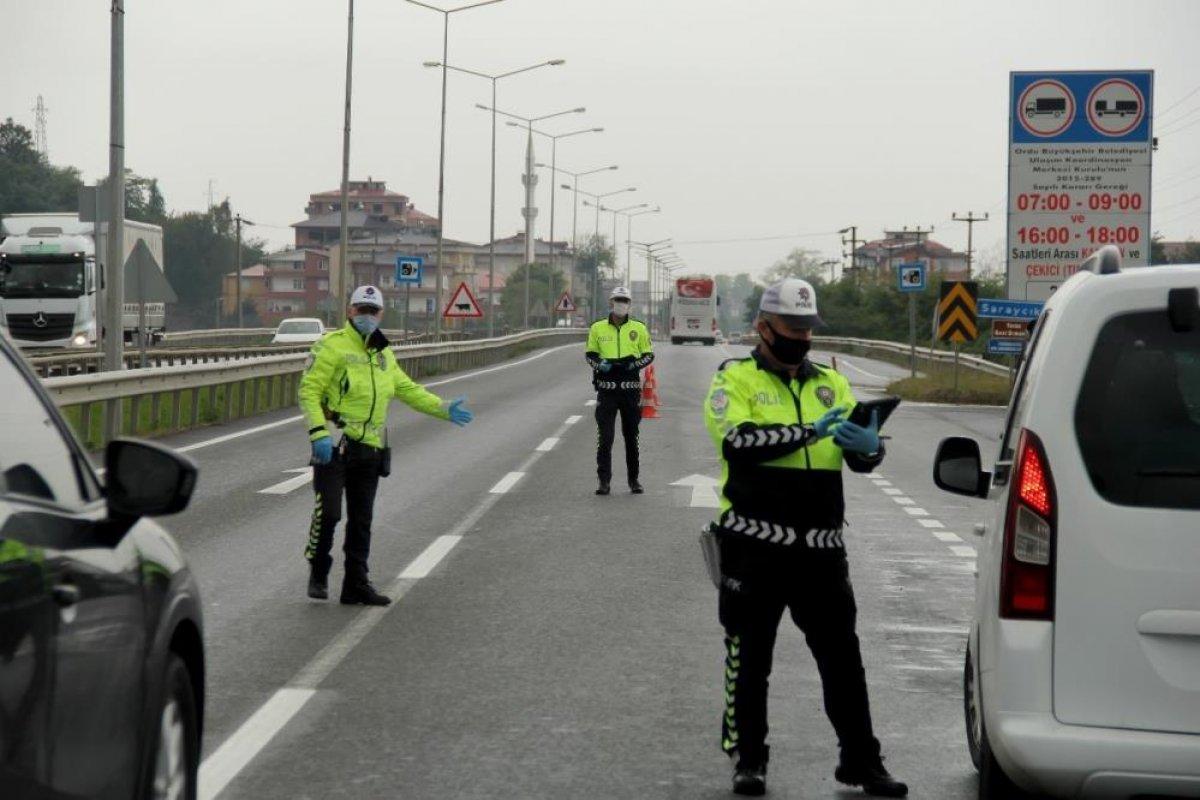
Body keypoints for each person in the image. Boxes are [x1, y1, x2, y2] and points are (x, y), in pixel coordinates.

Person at [702, 278, 907, 797]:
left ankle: (862, 759)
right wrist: (810, 432)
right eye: (792, 329)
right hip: (755, 548)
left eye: (808, 329)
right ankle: (749, 758)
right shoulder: (735, 379)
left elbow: (856, 458)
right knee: (750, 661)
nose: (801, 338)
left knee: (843, 662)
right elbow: (739, 442)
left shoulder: (830, 384)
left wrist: (869, 448)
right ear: (764, 328)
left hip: (821, 552)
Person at [298, 285, 474, 605]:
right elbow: (309, 391)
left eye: (372, 311)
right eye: (360, 310)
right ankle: (318, 565)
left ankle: (356, 584)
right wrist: (317, 432)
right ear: (350, 311)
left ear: (381, 314)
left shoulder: (384, 354)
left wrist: (442, 408)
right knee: (331, 514)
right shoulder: (331, 346)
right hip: (335, 445)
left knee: (362, 521)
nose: (366, 316)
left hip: (369, 448)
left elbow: (408, 390)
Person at [585, 286, 654, 495]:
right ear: (611, 302)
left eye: (625, 300)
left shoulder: (639, 328)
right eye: (618, 300)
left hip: (630, 392)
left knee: (631, 437)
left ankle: (634, 480)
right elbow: (590, 355)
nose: (621, 303)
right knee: (605, 438)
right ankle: (603, 481)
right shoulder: (597, 328)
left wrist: (634, 365)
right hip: (607, 392)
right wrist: (600, 366)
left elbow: (649, 355)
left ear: (630, 304)